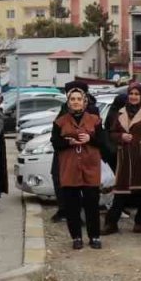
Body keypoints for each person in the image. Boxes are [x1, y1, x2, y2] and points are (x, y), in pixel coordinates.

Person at [51, 87, 106, 250]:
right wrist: (68, 142)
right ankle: (76, 237)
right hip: (70, 167)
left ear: (84, 102)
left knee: (92, 204)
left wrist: (90, 138)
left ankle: (94, 236)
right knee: (72, 205)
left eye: (79, 99)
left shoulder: (95, 120)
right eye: (72, 99)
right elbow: (55, 142)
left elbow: (103, 141)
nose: (76, 102)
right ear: (68, 102)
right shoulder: (60, 121)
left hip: (90, 167)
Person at [105, 83, 141, 235]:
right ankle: (111, 223)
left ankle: (140, 221)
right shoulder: (120, 113)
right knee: (120, 191)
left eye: (137, 94)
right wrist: (121, 136)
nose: (133, 97)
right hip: (125, 157)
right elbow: (111, 133)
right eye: (131, 94)